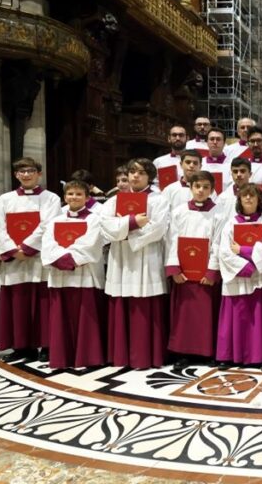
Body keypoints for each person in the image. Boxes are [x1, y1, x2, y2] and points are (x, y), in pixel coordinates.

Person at [0, 157, 62, 362]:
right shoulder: (4, 199)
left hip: (39, 259)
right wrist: (12, 250)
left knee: (43, 303)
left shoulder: (51, 198)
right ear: (16, 175)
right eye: (22, 171)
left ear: (39, 173)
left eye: (30, 171)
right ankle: (21, 347)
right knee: (17, 303)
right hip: (14, 261)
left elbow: (49, 224)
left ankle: (46, 344)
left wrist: (27, 248)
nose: (26, 174)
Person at [99, 158, 171, 369]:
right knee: (121, 303)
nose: (135, 176)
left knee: (145, 305)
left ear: (150, 175)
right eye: (132, 172)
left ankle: (145, 355)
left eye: (140, 172)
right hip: (120, 258)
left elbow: (159, 228)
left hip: (146, 257)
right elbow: (104, 226)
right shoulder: (114, 200)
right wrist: (132, 222)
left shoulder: (159, 200)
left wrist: (125, 231)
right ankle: (121, 356)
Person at [42, 180, 108, 369]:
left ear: (87, 198)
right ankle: (62, 357)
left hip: (85, 273)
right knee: (61, 318)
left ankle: (88, 357)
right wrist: (61, 259)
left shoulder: (94, 219)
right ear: (65, 197)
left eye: (79, 194)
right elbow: (47, 244)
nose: (74, 197)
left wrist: (67, 259)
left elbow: (91, 243)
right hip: (59, 275)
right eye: (70, 193)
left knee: (86, 316)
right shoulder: (55, 219)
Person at [165, 171, 224, 371]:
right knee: (184, 314)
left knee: (206, 313)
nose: (201, 190)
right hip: (184, 273)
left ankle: (207, 351)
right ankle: (182, 352)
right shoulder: (180, 211)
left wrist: (211, 271)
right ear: (190, 188)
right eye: (197, 186)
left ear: (212, 190)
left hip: (205, 274)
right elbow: (172, 239)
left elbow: (218, 243)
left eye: (206, 187)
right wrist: (174, 268)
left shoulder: (219, 212)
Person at [215, 184, 262, 369]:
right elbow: (224, 252)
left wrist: (243, 250)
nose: (248, 199)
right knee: (236, 317)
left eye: (252, 196)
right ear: (239, 200)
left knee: (257, 317)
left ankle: (260, 356)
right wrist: (247, 267)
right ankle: (229, 355)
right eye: (244, 196)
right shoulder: (231, 223)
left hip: (259, 278)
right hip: (239, 277)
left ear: (259, 200)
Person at [200, 127, 232, 194]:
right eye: (212, 139)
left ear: (224, 143)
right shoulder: (200, 164)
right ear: (207, 142)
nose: (215, 142)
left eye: (218, 139)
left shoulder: (232, 164)